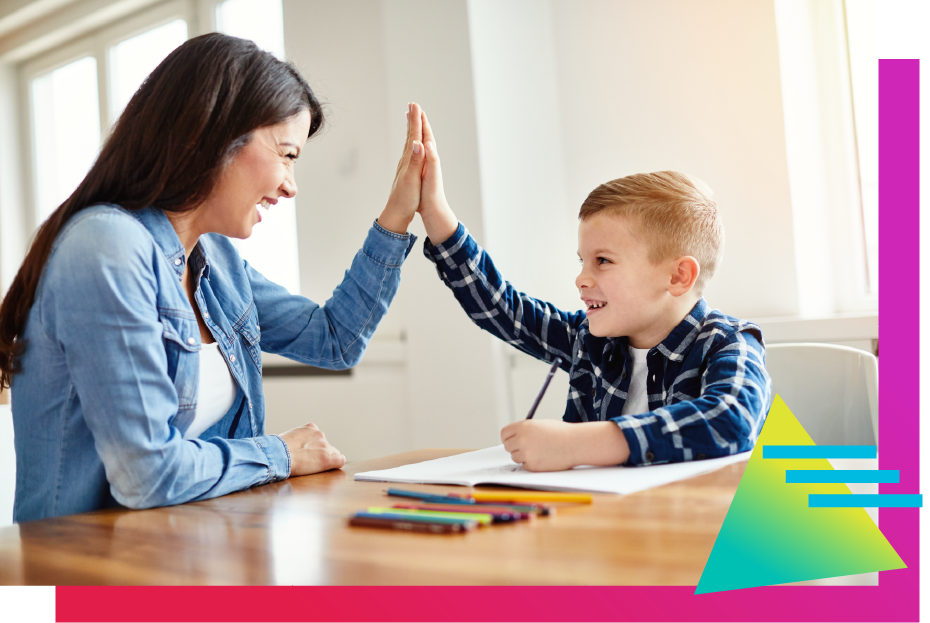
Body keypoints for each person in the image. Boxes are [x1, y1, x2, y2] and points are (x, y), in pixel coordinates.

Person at [0, 33, 429, 522]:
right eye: (287, 155)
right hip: (87, 571)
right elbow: (148, 474)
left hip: (194, 551)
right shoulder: (107, 248)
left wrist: (396, 216)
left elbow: (335, 340)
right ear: (212, 134)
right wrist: (281, 454)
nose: (291, 186)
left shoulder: (216, 260)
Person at [412, 112, 772, 471]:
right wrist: (436, 214)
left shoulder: (729, 343)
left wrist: (577, 444)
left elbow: (731, 419)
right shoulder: (590, 339)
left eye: (603, 261)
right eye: (582, 261)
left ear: (678, 276)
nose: (581, 279)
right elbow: (503, 309)